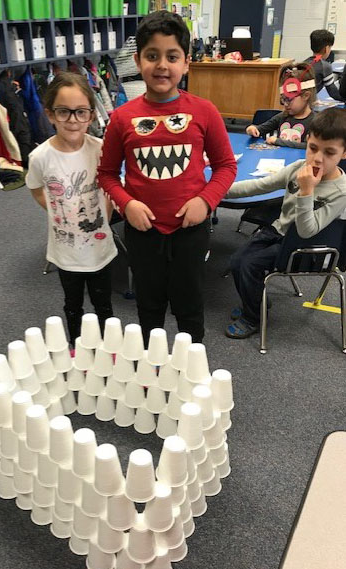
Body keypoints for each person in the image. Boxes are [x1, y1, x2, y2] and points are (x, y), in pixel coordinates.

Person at [98, 10, 237, 345]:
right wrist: (126, 203)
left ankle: (193, 373)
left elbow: (225, 166)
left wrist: (205, 201)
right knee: (149, 308)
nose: (162, 65)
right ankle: (152, 376)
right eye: (152, 56)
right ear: (137, 60)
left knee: (190, 307)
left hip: (190, 231)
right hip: (143, 233)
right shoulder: (121, 118)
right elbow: (106, 174)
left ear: (186, 63)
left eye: (172, 56)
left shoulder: (204, 111)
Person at [225, 107, 346, 339]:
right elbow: (259, 185)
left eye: (329, 152)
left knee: (249, 264)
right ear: (307, 141)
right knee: (237, 261)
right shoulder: (298, 169)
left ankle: (253, 317)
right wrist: (217, 191)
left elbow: (306, 230)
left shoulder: (340, 190)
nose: (317, 158)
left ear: (344, 153)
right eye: (312, 148)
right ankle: (257, 300)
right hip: (279, 232)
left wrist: (307, 191)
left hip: (306, 247)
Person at [26, 72, 117, 347]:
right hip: (66, 252)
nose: (73, 120)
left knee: (104, 305)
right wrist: (57, 213)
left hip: (100, 248)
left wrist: (105, 217)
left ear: (91, 115)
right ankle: (77, 348)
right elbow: (35, 189)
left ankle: (110, 351)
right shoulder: (40, 157)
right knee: (73, 304)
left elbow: (111, 188)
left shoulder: (101, 149)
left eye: (80, 112)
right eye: (64, 112)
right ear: (51, 114)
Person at [246, 63, 316, 149]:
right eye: (283, 99)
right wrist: (252, 129)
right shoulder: (283, 116)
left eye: (289, 99)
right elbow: (260, 129)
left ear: (306, 96)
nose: (286, 104)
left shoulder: (315, 122)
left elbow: (308, 146)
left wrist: (278, 141)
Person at [305, 29, 344, 102]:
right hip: (305, 106)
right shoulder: (325, 66)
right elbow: (333, 92)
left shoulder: (304, 63)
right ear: (326, 49)